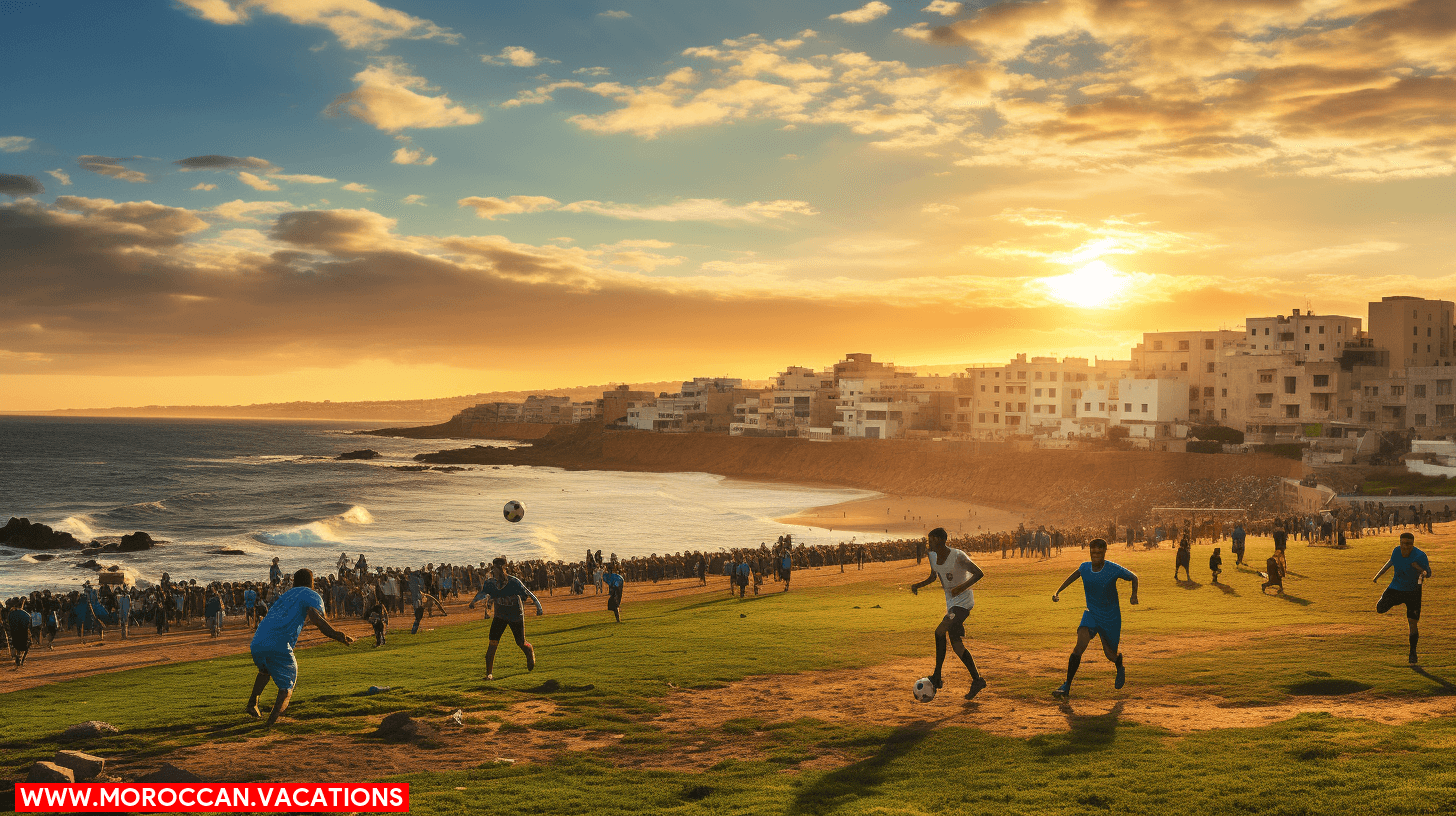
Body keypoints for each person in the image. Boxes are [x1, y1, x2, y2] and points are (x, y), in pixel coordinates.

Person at [245, 568, 354, 728]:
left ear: (294, 582)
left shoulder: (286, 595)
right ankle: (270, 723)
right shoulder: (310, 595)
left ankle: (252, 703)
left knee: (265, 670)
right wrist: (336, 634)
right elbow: (315, 616)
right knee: (287, 684)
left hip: (257, 642)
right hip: (278, 643)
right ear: (312, 583)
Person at [1051, 538, 1138, 699]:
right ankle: (1066, 686)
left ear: (1105, 552)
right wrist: (1057, 592)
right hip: (1091, 614)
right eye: (1093, 552)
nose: (1096, 555)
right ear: (1089, 552)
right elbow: (1072, 577)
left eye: (1099, 552)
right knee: (1079, 646)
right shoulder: (1084, 567)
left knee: (1110, 655)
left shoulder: (1113, 568)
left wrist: (1134, 595)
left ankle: (1119, 664)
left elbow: (1134, 577)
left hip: (1110, 617)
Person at [910, 527, 987, 700]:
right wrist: (918, 585)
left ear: (941, 540)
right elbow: (933, 577)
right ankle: (977, 680)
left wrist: (961, 587)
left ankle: (937, 676)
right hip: (951, 605)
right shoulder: (933, 557)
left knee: (939, 631)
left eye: (932, 540)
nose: (929, 543)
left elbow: (979, 573)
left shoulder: (958, 556)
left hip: (964, 603)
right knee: (957, 645)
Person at [468, 556, 544, 680]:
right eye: (494, 567)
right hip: (500, 615)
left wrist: (539, 608)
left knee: (520, 642)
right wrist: (473, 602)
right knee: (492, 643)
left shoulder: (514, 582)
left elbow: (528, 593)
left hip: (515, 615)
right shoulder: (490, 583)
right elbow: (483, 593)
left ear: (503, 568)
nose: (495, 570)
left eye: (497, 567)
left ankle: (529, 650)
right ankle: (489, 674)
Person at [1372, 532, 1432, 664]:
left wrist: (1420, 569)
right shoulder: (1396, 551)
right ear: (1400, 543)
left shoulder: (1420, 556)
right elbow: (1389, 563)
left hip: (1413, 592)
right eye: (1403, 543)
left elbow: (1428, 573)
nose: (1406, 547)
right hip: (1396, 588)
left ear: (1413, 544)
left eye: (1409, 544)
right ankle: (1396, 601)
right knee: (1380, 608)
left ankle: (1412, 653)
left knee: (1412, 623)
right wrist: (1377, 576)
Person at [7, 598, 31, 668]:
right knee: (25, 647)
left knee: (16, 644)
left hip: (14, 632)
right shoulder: (25, 614)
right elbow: (29, 621)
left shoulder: (11, 613)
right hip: (23, 631)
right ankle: (21, 660)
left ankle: (17, 656)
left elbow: (9, 622)